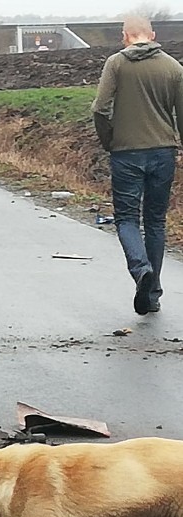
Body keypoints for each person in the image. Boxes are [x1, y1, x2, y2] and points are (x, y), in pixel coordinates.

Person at [91, 15, 183, 314]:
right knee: (155, 222)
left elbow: (100, 108)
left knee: (127, 219)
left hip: (127, 153)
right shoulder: (173, 67)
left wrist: (110, 140)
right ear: (152, 34)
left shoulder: (116, 64)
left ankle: (141, 270)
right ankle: (153, 293)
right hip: (163, 152)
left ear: (125, 36)